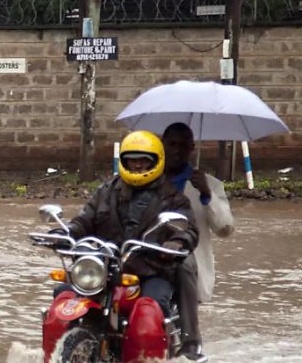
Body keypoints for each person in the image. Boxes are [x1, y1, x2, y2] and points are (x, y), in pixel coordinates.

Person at [59, 130, 198, 319]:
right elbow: (84, 220)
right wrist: (67, 232)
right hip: (106, 268)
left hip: (152, 269)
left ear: (156, 161)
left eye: (144, 160)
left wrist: (176, 242)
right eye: (132, 160)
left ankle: (165, 345)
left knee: (151, 309)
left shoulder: (173, 197)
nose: (138, 164)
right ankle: (62, 346)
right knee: (64, 293)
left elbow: (188, 228)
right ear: (124, 161)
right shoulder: (106, 191)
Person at [163, 122, 234, 362]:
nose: (177, 151)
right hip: (150, 259)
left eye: (183, 146)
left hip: (189, 267)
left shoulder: (208, 184)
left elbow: (225, 228)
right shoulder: (146, 179)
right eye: (172, 144)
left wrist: (207, 195)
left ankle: (191, 345)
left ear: (192, 149)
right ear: (162, 145)